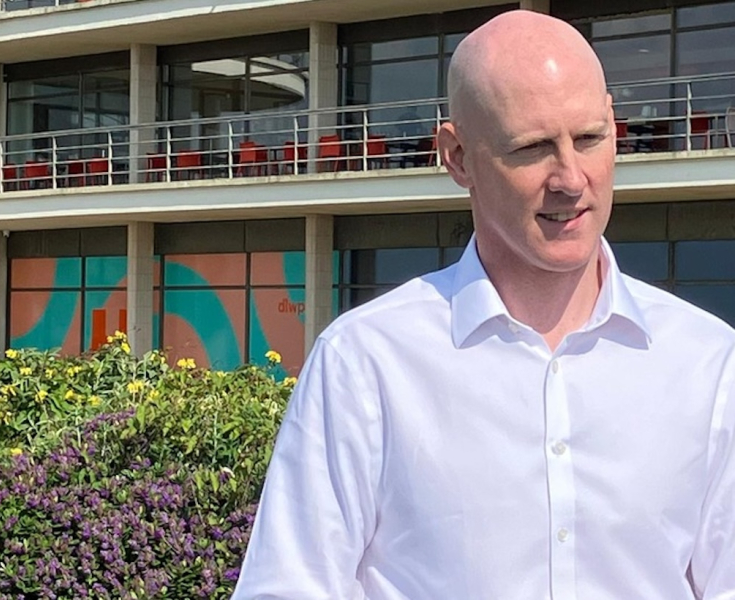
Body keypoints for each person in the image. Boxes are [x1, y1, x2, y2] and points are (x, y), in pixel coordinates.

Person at [232, 10, 735, 600]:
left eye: (591, 138)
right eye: (533, 148)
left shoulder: (707, 362)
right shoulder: (365, 363)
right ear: (458, 157)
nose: (571, 178)